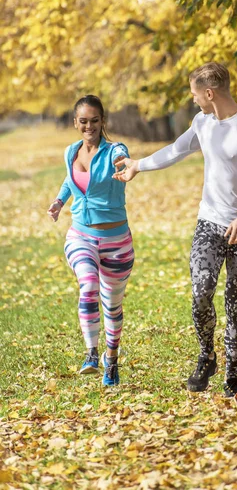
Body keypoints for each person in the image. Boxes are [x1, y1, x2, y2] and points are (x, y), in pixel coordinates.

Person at [113, 63, 237, 397]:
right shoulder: (202, 122)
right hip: (210, 222)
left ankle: (232, 375)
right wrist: (138, 166)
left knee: (236, 301)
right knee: (201, 289)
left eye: (194, 94)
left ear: (209, 93)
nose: (192, 101)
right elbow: (176, 150)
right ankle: (207, 355)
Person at [47, 95, 134, 386]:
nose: (89, 126)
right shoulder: (71, 151)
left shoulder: (113, 152)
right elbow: (69, 179)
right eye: (83, 121)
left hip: (116, 240)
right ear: (76, 122)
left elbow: (122, 158)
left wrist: (124, 162)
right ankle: (91, 353)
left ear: (102, 121)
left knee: (112, 305)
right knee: (88, 285)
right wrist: (60, 201)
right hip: (80, 234)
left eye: (94, 121)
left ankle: (111, 359)